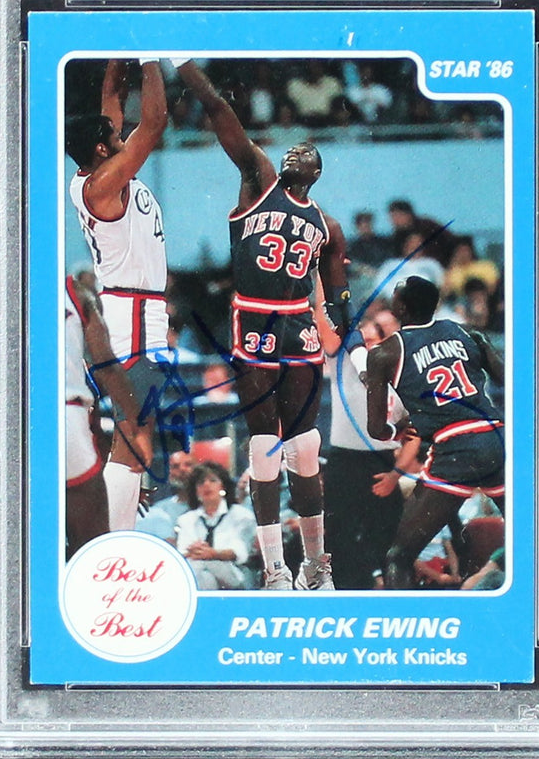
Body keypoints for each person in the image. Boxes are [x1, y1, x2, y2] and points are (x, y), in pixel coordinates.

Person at [179, 61, 350, 590]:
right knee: (263, 447)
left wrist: (343, 327)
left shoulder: (328, 225)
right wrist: (184, 64)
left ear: (316, 173)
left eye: (307, 152)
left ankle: (315, 563)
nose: (295, 152)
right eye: (291, 149)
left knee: (304, 446)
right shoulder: (258, 181)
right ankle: (275, 567)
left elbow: (339, 294)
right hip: (253, 317)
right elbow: (219, 110)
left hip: (298, 324)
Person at [65, 56, 189, 529]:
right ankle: (112, 542)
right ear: (101, 149)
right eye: (115, 136)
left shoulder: (97, 171)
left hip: (134, 308)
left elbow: (110, 98)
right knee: (135, 437)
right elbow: (155, 123)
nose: (124, 136)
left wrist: (123, 48)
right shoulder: (102, 185)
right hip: (131, 312)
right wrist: (152, 55)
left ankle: (116, 532)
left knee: (134, 437)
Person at [367, 275, 504, 590]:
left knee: (398, 556)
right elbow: (502, 377)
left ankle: (404, 619)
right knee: (532, 537)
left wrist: (397, 430)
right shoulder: (466, 331)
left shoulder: (385, 353)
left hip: (455, 450)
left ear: (401, 307)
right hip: (495, 439)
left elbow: (376, 429)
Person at [315, 290, 409, 590]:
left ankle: (390, 599)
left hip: (383, 464)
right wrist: (322, 275)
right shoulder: (346, 360)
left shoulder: (403, 373)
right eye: (371, 326)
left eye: (381, 332)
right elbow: (323, 321)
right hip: (343, 460)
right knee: (338, 538)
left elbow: (414, 434)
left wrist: (396, 474)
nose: (371, 334)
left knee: (388, 540)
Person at [64, 274, 151, 556]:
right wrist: (138, 431)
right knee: (92, 546)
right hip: (66, 414)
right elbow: (109, 368)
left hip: (5, 416)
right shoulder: (76, 293)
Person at [176, 462, 257, 590]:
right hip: (200, 572)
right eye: (201, 483)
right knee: (205, 577)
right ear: (195, 491)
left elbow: (240, 552)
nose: (206, 485)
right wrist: (199, 552)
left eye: (213, 480)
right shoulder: (186, 519)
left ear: (223, 486)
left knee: (205, 564)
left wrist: (213, 554)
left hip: (235, 575)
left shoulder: (242, 516)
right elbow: (183, 550)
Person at [135, 449, 194, 543]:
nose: (182, 470)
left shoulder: (210, 505)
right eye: (175, 466)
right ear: (169, 473)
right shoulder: (160, 509)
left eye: (188, 465)